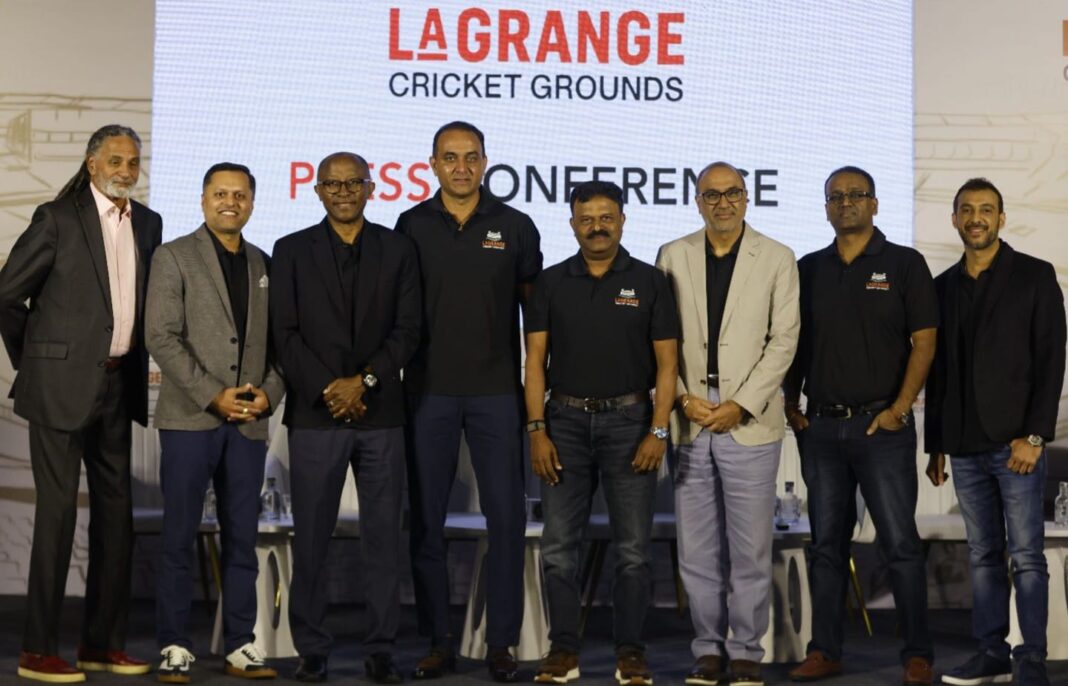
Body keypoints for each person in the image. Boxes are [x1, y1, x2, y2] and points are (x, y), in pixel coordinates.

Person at [0, 124, 161, 683]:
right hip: (59, 388)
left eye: (132, 161)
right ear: (92, 164)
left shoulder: (148, 223)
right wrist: (39, 360)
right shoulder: (57, 218)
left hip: (119, 386)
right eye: (115, 160)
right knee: (58, 515)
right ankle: (37, 650)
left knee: (117, 520)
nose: (125, 170)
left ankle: (102, 645)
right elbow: (6, 294)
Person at [395, 121, 541, 682]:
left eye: (470, 156)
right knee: (426, 523)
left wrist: (535, 393)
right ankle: (437, 642)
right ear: (432, 163)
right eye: (450, 157)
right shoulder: (410, 225)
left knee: (506, 521)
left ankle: (500, 643)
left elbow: (536, 323)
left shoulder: (516, 226)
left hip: (496, 394)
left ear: (485, 162)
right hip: (427, 393)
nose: (461, 167)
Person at [271, 152, 421, 684]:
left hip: (381, 414)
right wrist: (329, 388)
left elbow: (408, 329)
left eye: (353, 183)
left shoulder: (398, 249)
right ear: (316, 190)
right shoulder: (290, 250)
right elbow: (283, 334)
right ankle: (311, 648)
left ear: (370, 188)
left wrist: (365, 382)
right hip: (317, 415)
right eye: (332, 184)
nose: (343, 192)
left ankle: (380, 649)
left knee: (383, 540)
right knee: (311, 539)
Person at [783, 166, 937, 685]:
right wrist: (791, 403)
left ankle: (917, 655)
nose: (845, 202)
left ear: (875, 204)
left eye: (856, 194)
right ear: (826, 207)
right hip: (823, 430)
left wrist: (899, 410)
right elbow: (793, 345)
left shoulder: (904, 264)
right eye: (836, 196)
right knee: (826, 546)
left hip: (882, 429)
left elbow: (925, 343)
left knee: (900, 545)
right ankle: (825, 650)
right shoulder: (808, 268)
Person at [524, 180, 678, 686]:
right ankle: (563, 651)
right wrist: (537, 430)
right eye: (586, 218)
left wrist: (659, 430)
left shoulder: (651, 281)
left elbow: (668, 365)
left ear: (622, 221)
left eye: (606, 217)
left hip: (631, 425)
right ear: (572, 224)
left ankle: (630, 653)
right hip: (563, 425)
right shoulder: (550, 282)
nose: (597, 227)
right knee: (558, 548)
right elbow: (535, 362)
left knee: (633, 551)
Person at [656, 162, 799, 686]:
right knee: (696, 548)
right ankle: (708, 650)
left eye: (732, 192)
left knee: (750, 548)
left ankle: (745, 652)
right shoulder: (673, 255)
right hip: (689, 412)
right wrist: (681, 397)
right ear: (697, 201)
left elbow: (784, 340)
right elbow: (659, 338)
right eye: (711, 194)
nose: (722, 203)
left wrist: (741, 403)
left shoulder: (777, 257)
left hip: (749, 417)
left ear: (746, 197)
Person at [146, 163, 285, 682]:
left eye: (240, 194)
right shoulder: (173, 256)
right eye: (221, 193)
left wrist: (269, 394)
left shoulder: (264, 262)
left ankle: (240, 643)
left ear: (252, 202)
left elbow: (282, 344)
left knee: (242, 538)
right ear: (203, 199)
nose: (231, 202)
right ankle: (174, 644)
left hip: (248, 422)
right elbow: (160, 336)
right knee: (179, 536)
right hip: (190, 419)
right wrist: (212, 395)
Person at [925, 178, 1065, 686]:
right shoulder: (941, 286)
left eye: (986, 209)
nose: (976, 218)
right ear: (954, 219)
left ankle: (1031, 658)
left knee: (1026, 558)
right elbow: (938, 371)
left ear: (1001, 219)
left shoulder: (1034, 275)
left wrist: (1035, 437)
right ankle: (991, 653)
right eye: (967, 209)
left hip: (1016, 445)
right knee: (982, 556)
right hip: (963, 445)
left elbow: (1051, 361)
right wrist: (936, 445)